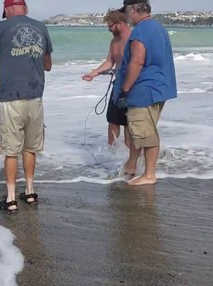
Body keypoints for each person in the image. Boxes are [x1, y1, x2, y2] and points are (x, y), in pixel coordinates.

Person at [0, 0, 53, 212]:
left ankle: (10, 199)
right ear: (25, 8)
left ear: (7, 10)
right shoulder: (41, 27)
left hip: (10, 99)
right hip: (36, 97)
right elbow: (48, 65)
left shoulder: (0, 27)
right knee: (30, 148)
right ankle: (29, 192)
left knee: (11, 151)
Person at [112, 0, 177, 186]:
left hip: (144, 90)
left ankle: (149, 175)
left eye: (126, 11)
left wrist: (124, 90)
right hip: (159, 88)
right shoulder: (158, 27)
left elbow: (137, 62)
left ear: (134, 9)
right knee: (137, 132)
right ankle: (131, 166)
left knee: (145, 134)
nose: (125, 16)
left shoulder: (141, 31)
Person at [82, 9, 132, 149]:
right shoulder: (114, 42)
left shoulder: (134, 38)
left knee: (130, 123)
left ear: (120, 23)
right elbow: (110, 62)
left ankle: (130, 157)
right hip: (117, 86)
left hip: (133, 87)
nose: (109, 30)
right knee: (112, 120)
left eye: (110, 26)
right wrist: (93, 73)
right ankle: (112, 153)